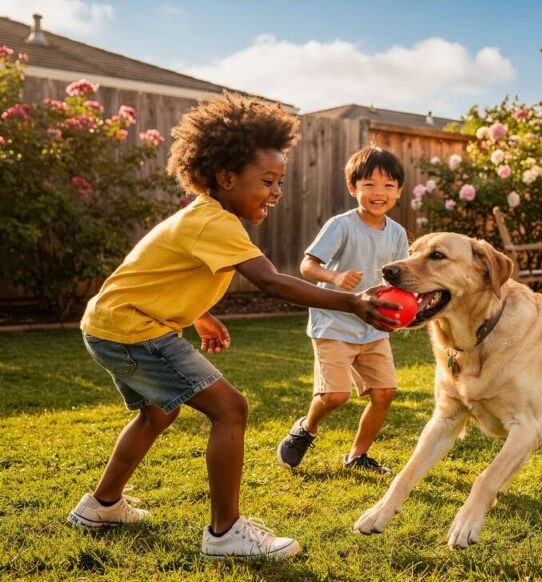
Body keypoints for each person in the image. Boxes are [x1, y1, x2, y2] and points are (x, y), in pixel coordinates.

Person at [69, 93, 400, 560]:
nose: (276, 192)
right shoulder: (215, 222)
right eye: (267, 181)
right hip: (133, 329)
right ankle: (225, 533)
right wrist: (352, 302)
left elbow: (157, 274)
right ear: (226, 178)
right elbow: (270, 281)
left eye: (279, 182)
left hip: (111, 324)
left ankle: (101, 506)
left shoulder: (205, 216)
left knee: (157, 412)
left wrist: (200, 315)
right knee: (230, 408)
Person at [276, 146, 409, 475]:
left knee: (384, 393)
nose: (379, 192)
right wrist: (335, 277)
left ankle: (358, 455)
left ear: (399, 191)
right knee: (335, 396)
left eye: (388, 185)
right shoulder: (341, 225)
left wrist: (405, 307)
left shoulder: (397, 233)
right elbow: (307, 265)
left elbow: (401, 277)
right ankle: (306, 428)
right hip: (333, 323)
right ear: (353, 188)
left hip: (373, 325)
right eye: (369, 184)